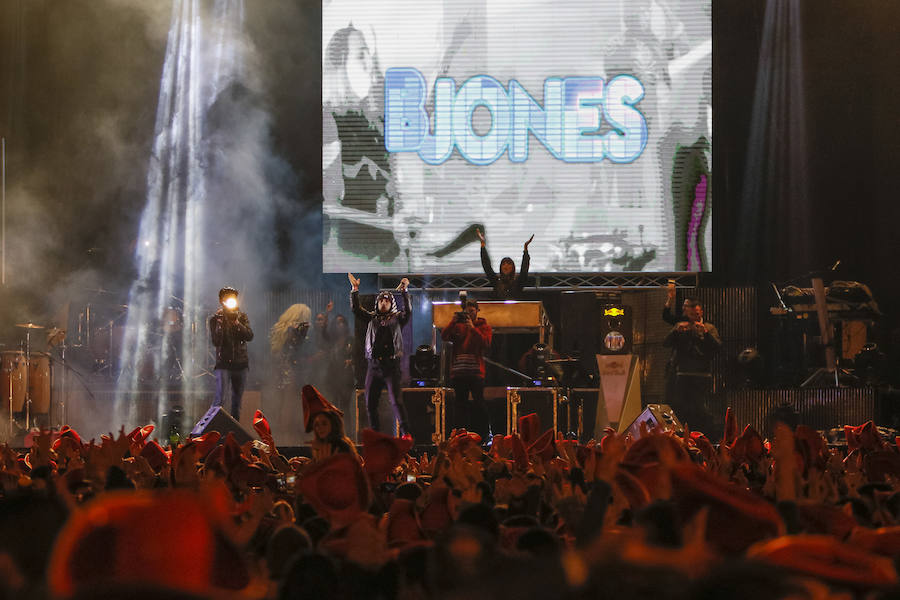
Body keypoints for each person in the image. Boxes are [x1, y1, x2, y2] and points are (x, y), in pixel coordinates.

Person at [349, 273, 411, 436]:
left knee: (396, 401)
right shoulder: (372, 318)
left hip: (391, 366)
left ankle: (406, 434)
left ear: (391, 304)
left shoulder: (398, 318)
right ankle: (376, 435)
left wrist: (405, 291)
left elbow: (408, 311)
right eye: (381, 300)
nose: (384, 303)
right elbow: (356, 309)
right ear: (377, 303)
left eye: (387, 301)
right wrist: (355, 290)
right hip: (374, 365)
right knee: (370, 402)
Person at [663, 299, 721, 433]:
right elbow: (666, 343)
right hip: (682, 374)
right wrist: (676, 332)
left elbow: (717, 347)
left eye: (696, 314)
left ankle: (703, 435)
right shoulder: (681, 325)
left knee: (700, 409)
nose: (693, 318)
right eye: (690, 314)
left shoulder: (709, 327)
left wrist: (705, 333)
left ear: (701, 312)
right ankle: (682, 435)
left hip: (702, 375)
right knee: (680, 408)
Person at [441, 298, 492, 440]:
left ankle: (483, 434)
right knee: (460, 406)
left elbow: (485, 343)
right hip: (459, 372)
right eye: (466, 312)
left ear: (477, 311)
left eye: (472, 311)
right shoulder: (458, 326)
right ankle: (461, 435)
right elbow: (444, 336)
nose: (469, 315)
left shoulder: (483, 326)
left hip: (476, 372)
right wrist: (453, 321)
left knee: (479, 404)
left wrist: (473, 328)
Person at [209, 286, 254, 422]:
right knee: (220, 400)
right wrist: (220, 324)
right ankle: (213, 431)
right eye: (227, 297)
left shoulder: (242, 317)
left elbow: (249, 336)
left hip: (241, 365)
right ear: (222, 301)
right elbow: (216, 342)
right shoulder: (215, 319)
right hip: (223, 365)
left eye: (233, 297)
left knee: (236, 403)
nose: (230, 300)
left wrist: (236, 323)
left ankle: (233, 435)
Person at [477, 228, 533, 299]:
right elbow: (486, 266)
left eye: (509, 263)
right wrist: (482, 245)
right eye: (503, 264)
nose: (506, 265)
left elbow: (524, 269)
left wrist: (525, 249)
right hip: (499, 310)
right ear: (500, 267)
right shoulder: (496, 281)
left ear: (513, 267)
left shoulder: (519, 282)